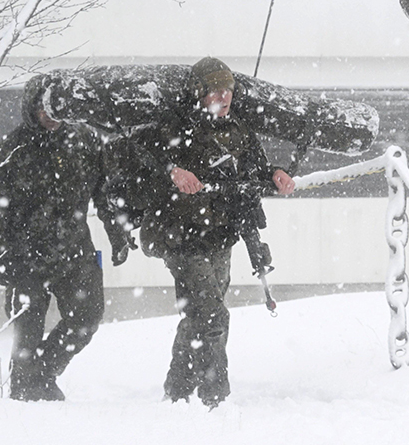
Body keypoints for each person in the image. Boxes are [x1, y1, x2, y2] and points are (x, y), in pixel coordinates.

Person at [126, 57, 295, 408]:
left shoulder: (237, 128)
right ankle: (215, 397)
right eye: (217, 89)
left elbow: (255, 170)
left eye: (229, 89)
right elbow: (138, 152)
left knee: (198, 316)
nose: (225, 96)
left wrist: (276, 173)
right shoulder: (176, 125)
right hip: (179, 235)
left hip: (220, 235)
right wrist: (173, 170)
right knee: (213, 315)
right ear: (200, 93)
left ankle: (177, 391)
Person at [0, 76, 133, 401]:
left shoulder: (86, 142)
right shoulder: (11, 150)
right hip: (25, 257)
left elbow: (105, 193)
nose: (51, 114)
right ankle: (24, 400)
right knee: (27, 335)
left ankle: (43, 374)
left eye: (58, 107)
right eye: (44, 107)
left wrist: (117, 235)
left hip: (75, 251)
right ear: (31, 108)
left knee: (87, 318)